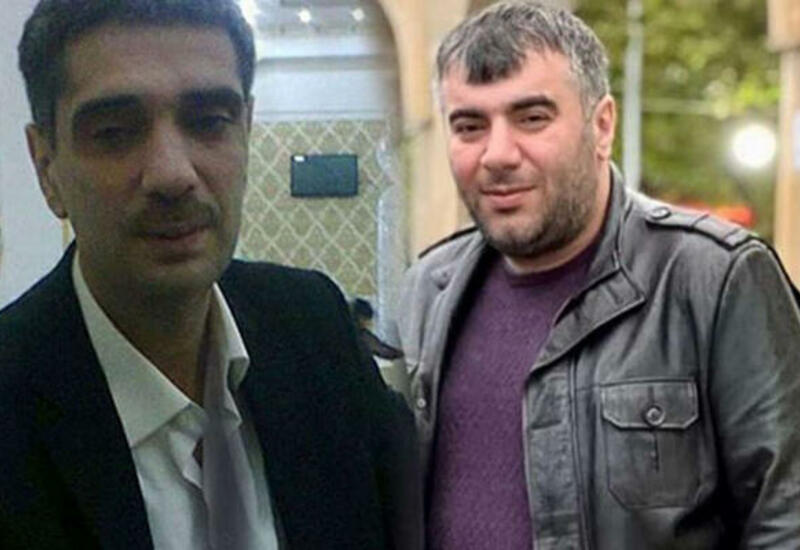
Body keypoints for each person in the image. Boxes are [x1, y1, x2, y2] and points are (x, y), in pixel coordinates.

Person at [0, 1, 420, 548]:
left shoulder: (314, 328)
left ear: (245, 130)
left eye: (208, 122)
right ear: (46, 167)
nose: (172, 174)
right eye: (115, 132)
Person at [388, 1, 800, 548]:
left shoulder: (715, 280)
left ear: (601, 126)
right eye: (469, 126)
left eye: (532, 118)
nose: (498, 154)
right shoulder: (426, 292)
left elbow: (787, 520)